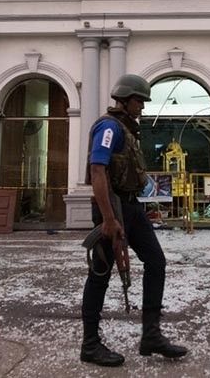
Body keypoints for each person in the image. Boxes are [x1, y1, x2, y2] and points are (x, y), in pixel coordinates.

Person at [80, 74, 188, 367]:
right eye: (139, 100)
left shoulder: (127, 129)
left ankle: (151, 335)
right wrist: (108, 218)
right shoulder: (109, 127)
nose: (142, 106)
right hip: (112, 209)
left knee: (156, 262)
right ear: (125, 100)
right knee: (100, 276)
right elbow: (98, 171)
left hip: (131, 207)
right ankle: (90, 345)